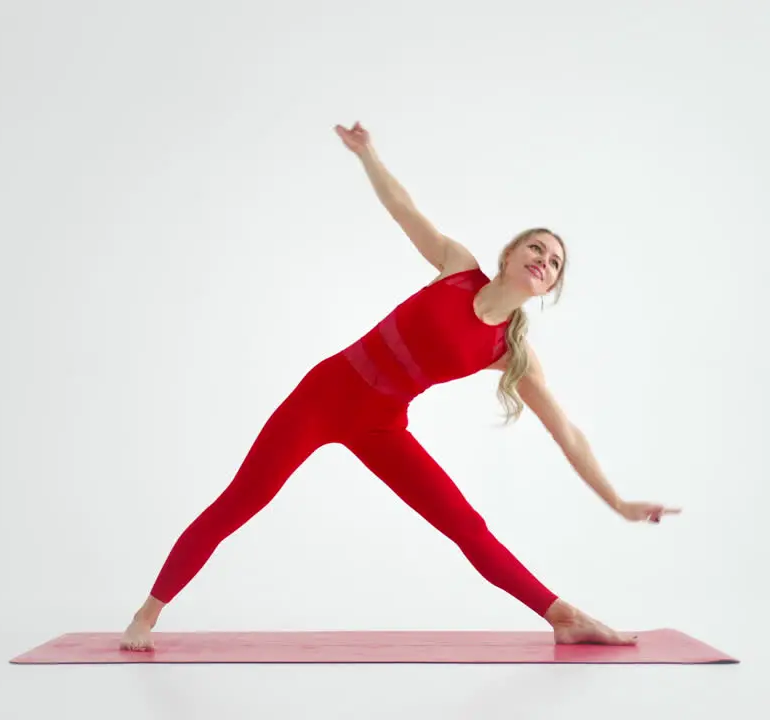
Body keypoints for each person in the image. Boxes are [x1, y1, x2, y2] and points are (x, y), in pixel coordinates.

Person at [119, 121, 680, 651]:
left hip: (381, 424)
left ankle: (564, 617)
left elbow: (568, 433)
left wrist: (620, 502)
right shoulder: (457, 267)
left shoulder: (511, 353)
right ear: (510, 254)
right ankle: (146, 615)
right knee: (243, 501)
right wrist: (366, 152)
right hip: (323, 396)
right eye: (536, 248)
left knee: (466, 525)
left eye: (554, 261)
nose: (543, 259)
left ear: (549, 286)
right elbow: (402, 208)